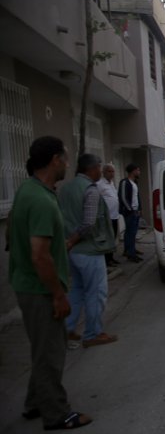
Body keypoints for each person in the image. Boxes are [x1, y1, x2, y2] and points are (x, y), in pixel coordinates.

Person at [8, 135, 93, 430]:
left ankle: (34, 403)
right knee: (51, 354)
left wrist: (63, 246)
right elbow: (40, 255)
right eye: (65, 158)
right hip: (40, 290)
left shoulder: (28, 191)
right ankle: (57, 413)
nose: (67, 164)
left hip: (27, 284)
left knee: (41, 349)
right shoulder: (41, 199)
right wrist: (58, 295)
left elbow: (19, 240)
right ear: (55, 160)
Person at [59, 154, 118, 349]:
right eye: (99, 168)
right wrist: (74, 239)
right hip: (88, 250)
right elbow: (89, 223)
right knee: (96, 292)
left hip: (72, 251)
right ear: (90, 169)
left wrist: (68, 242)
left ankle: (67, 330)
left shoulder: (65, 188)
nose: (100, 172)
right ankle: (93, 333)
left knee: (76, 290)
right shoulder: (90, 190)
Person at [118, 163, 142, 262]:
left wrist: (140, 209)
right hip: (130, 212)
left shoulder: (134, 182)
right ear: (133, 171)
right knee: (130, 232)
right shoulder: (125, 182)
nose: (139, 172)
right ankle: (130, 254)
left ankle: (130, 250)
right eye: (138, 170)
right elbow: (123, 197)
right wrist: (130, 210)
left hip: (135, 211)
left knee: (133, 232)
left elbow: (137, 197)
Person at [97, 163, 120, 267]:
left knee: (113, 237)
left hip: (114, 215)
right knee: (107, 238)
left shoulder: (111, 183)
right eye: (109, 171)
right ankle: (107, 260)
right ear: (104, 172)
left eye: (113, 171)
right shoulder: (100, 184)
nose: (111, 174)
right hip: (106, 217)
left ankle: (111, 258)